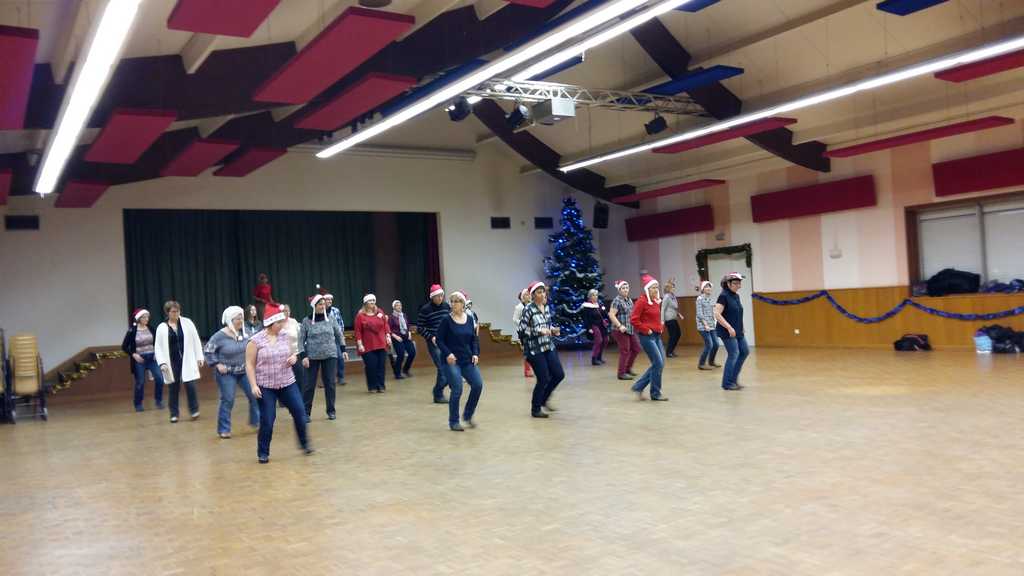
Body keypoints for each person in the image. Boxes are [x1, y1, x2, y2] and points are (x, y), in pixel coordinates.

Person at [246, 303, 312, 464]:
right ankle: (263, 452)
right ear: (270, 323)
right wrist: (253, 385)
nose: (282, 324)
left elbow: (292, 353)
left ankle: (304, 443)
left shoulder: (284, 335)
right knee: (268, 420)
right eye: (279, 322)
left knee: (300, 412)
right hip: (265, 386)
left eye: (282, 322)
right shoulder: (255, 341)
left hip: (286, 382)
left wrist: (293, 358)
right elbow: (249, 364)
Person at [204, 306, 259, 438]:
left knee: (255, 394)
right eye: (237, 319)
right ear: (230, 320)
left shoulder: (246, 333)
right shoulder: (219, 336)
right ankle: (224, 429)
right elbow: (208, 350)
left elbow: (255, 345)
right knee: (228, 399)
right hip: (226, 373)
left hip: (244, 370)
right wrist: (217, 364)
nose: (240, 321)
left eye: (241, 318)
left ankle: (257, 421)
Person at [435, 291, 483, 432]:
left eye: (457, 301)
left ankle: (467, 416)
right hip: (451, 361)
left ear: (463, 304)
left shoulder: (470, 319)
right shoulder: (446, 320)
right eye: (452, 301)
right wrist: (448, 353)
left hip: (466, 360)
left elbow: (473, 339)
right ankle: (454, 421)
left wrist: (475, 354)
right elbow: (439, 340)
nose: (454, 304)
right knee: (457, 388)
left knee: (478, 385)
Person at [518, 281, 564, 418]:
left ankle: (544, 399)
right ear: (533, 295)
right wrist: (538, 331)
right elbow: (521, 330)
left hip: (548, 345)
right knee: (543, 378)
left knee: (559, 374)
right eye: (539, 292)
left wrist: (553, 330)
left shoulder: (546, 307)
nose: (543, 294)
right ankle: (535, 409)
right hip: (534, 349)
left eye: (543, 291)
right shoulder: (528, 309)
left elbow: (547, 325)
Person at [154, 300, 204, 423]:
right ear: (167, 313)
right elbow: (158, 347)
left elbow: (196, 340)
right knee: (173, 388)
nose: (176, 313)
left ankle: (194, 410)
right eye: (173, 311)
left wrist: (199, 357)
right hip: (172, 362)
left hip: (187, 360)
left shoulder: (187, 323)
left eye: (178, 311)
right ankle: (174, 414)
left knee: (190, 385)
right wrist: (162, 363)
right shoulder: (162, 327)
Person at [298, 294, 346, 421]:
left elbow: (339, 334)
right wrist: (303, 356)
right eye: (320, 304)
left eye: (324, 304)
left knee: (330, 384)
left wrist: (343, 349)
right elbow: (300, 340)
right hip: (312, 357)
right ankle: (305, 413)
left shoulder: (331, 318)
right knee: (309, 385)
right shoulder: (306, 321)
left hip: (330, 355)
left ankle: (331, 411)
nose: (323, 306)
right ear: (314, 306)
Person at [630, 275, 669, 401]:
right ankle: (655, 393)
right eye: (653, 287)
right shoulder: (641, 301)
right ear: (647, 289)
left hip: (657, 336)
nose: (656, 290)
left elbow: (656, 318)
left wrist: (660, 327)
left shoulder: (656, 301)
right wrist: (646, 329)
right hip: (647, 337)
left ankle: (638, 387)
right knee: (658, 363)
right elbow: (634, 320)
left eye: (657, 287)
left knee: (660, 364)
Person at [121, 308, 164, 411]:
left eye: (147, 317)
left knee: (160, 379)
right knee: (140, 382)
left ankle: (158, 401)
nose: (146, 319)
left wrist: (156, 353)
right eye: (144, 317)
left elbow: (158, 342)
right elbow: (124, 346)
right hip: (139, 359)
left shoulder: (151, 328)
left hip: (152, 358)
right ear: (139, 319)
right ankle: (138, 404)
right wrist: (133, 354)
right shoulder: (132, 331)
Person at [715, 272, 749, 391]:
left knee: (744, 351)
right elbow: (717, 314)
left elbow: (738, 312)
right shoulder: (723, 296)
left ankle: (733, 380)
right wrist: (729, 327)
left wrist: (742, 326)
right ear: (728, 283)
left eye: (739, 283)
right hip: (727, 331)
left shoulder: (736, 296)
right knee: (734, 354)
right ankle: (727, 383)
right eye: (735, 283)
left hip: (738, 330)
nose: (738, 285)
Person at [418, 284, 452, 403]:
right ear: (432, 297)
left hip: (447, 342)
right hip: (434, 343)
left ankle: (437, 390)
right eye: (437, 296)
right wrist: (431, 337)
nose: (440, 298)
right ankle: (438, 395)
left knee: (450, 368)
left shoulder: (446, 306)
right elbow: (420, 328)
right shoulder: (425, 309)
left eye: (441, 295)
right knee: (442, 369)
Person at [354, 294, 392, 393]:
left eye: (373, 300)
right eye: (370, 301)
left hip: (381, 343)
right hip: (368, 345)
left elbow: (385, 325)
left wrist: (388, 336)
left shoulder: (380, 312)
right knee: (371, 366)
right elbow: (358, 331)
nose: (372, 302)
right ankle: (372, 386)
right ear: (365, 303)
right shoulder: (360, 316)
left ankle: (381, 386)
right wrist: (360, 344)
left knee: (381, 366)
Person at [608, 280, 641, 381]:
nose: (625, 290)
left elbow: (632, 314)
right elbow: (611, 315)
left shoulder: (629, 300)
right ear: (619, 290)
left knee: (636, 348)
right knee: (625, 350)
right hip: (619, 330)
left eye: (627, 288)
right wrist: (619, 326)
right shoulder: (617, 300)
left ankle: (627, 369)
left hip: (630, 329)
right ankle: (621, 373)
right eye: (623, 288)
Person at [323, 292, 348, 385]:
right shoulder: (320, 310)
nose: (329, 301)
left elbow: (340, 322)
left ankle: (341, 377)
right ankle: (327, 380)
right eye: (327, 299)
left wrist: (341, 334)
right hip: (324, 339)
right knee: (325, 359)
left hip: (336, 338)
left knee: (340, 357)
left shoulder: (335, 310)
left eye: (330, 299)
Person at [280, 304, 304, 397]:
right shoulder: (277, 323)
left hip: (296, 354)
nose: (287, 313)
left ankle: (300, 398)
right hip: (282, 356)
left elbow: (300, 336)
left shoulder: (294, 321)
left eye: (288, 311)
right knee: (283, 380)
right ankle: (283, 399)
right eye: (284, 311)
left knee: (300, 378)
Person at [695, 281, 720, 370]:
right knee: (709, 344)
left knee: (716, 344)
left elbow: (714, 311)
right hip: (703, 326)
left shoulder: (711, 299)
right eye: (706, 287)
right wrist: (705, 325)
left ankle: (711, 361)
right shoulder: (699, 299)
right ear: (703, 289)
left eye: (709, 287)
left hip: (712, 325)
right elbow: (699, 313)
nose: (708, 288)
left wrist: (716, 322)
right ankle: (701, 364)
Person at [389, 300, 416, 379]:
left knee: (412, 352)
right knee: (401, 354)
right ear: (394, 307)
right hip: (397, 338)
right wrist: (396, 337)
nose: (399, 307)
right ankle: (397, 373)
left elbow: (408, 325)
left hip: (406, 337)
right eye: (397, 305)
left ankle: (405, 370)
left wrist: (409, 333)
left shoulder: (404, 315)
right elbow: (389, 330)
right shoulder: (391, 317)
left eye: (400, 305)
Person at [582, 289, 608, 366]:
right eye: (593, 295)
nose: (595, 296)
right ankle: (594, 359)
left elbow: (604, 314)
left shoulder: (599, 304)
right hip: (593, 325)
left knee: (605, 340)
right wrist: (589, 328)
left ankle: (599, 357)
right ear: (589, 297)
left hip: (601, 325)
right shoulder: (587, 306)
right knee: (599, 340)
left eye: (596, 295)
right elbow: (586, 318)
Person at [512, 288, 534, 378]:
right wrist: (523, 323)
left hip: (532, 331)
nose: (528, 296)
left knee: (533, 351)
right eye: (526, 295)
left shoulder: (532, 306)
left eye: (529, 294)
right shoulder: (519, 307)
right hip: (524, 332)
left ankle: (533, 368)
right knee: (527, 351)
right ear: (522, 297)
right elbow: (515, 319)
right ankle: (527, 370)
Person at [661, 279, 684, 358]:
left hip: (673, 318)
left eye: (674, 287)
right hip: (669, 319)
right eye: (672, 287)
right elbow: (663, 309)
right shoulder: (666, 297)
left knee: (678, 334)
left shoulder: (673, 296)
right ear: (668, 288)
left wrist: (679, 314)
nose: (674, 288)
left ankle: (671, 350)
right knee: (673, 335)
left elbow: (673, 307)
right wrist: (662, 321)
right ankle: (669, 352)